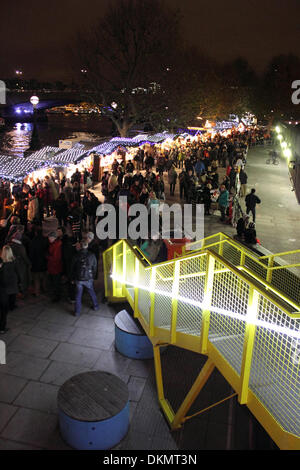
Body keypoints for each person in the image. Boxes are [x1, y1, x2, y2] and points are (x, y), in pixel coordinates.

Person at [71, 240, 99, 316]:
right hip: (88, 277)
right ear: (87, 246)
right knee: (91, 292)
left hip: (78, 278)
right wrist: (93, 276)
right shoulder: (92, 255)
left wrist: (72, 278)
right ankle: (96, 306)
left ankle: (77, 311)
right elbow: (95, 266)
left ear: (81, 246)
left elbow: (72, 268)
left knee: (78, 294)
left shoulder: (76, 255)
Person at [29, 226, 48, 297]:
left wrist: (31, 261)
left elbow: (31, 253)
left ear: (36, 233)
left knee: (36, 278)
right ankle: (45, 288)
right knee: (44, 276)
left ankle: (37, 292)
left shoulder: (33, 241)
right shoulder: (45, 240)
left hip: (36, 262)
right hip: (44, 261)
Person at [1, 245, 20, 313]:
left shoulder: (2, 262)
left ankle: (6, 307)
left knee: (6, 295)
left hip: (4, 279)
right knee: (13, 294)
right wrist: (19, 279)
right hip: (13, 279)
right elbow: (17, 270)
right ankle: (12, 306)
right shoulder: (14, 260)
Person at [47, 231, 63, 302]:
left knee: (56, 283)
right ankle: (56, 295)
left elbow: (56, 258)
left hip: (55, 267)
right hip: (53, 267)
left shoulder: (56, 245)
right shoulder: (54, 244)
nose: (49, 239)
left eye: (50, 238)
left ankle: (57, 297)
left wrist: (47, 256)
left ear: (54, 238)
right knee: (55, 282)